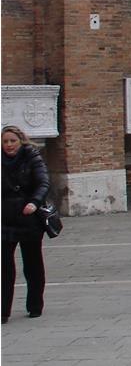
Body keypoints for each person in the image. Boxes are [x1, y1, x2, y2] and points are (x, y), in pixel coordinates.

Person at [2, 126, 48, 323]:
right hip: (5, 219)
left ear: (21, 141)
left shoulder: (32, 157)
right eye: (5, 141)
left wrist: (34, 202)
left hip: (28, 217)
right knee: (4, 267)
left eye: (13, 141)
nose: (9, 145)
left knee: (32, 264)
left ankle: (35, 305)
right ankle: (3, 310)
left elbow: (43, 183)